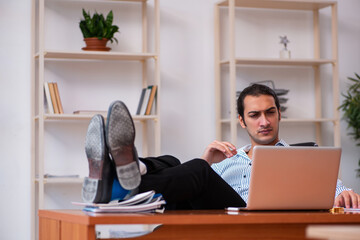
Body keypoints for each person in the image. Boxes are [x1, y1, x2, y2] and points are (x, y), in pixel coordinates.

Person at [82, 84, 360, 209]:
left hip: (250, 222)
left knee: (200, 171)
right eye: (254, 115)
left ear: (278, 115)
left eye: (270, 112)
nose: (264, 121)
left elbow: (339, 192)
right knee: (175, 161)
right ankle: (131, 170)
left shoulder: (305, 159)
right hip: (211, 214)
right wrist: (206, 160)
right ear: (241, 121)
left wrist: (346, 193)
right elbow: (186, 183)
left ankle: (114, 180)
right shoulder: (229, 159)